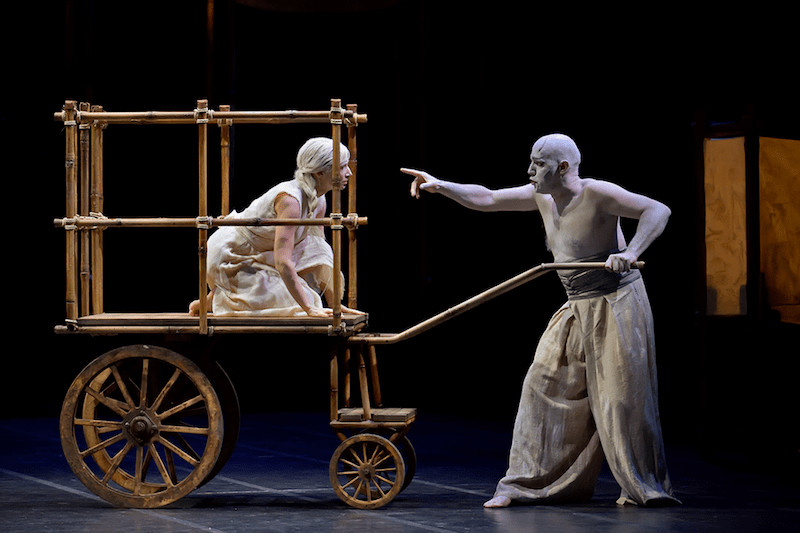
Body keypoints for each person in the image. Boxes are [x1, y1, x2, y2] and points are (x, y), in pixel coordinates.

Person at [402, 133, 680, 508]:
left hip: (616, 301)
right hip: (577, 304)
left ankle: (643, 486)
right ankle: (525, 484)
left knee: (621, 400)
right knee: (543, 385)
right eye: (531, 162)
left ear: (563, 167)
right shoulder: (542, 196)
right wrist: (441, 186)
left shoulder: (597, 193)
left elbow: (658, 210)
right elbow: (488, 198)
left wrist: (630, 252)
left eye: (539, 163)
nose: (530, 170)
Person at [189, 137, 363, 318]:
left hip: (264, 254)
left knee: (309, 294)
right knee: (293, 303)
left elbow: (318, 253)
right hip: (234, 254)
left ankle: (230, 294)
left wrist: (336, 305)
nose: (349, 173)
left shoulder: (318, 200)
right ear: (320, 172)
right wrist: (309, 309)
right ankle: (219, 298)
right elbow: (283, 261)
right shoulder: (291, 201)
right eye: (342, 167)